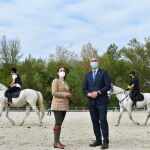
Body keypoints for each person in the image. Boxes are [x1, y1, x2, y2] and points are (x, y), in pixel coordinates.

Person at [83, 57, 111, 149]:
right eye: (92, 61)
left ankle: (105, 142)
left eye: (95, 61)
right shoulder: (87, 75)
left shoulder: (104, 72)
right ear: (89, 63)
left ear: (98, 62)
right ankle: (98, 140)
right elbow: (84, 89)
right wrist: (88, 94)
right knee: (95, 122)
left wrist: (98, 92)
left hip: (102, 101)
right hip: (91, 102)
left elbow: (108, 86)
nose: (94, 62)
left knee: (103, 120)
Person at [51, 67, 72, 149]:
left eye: (64, 71)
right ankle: (56, 142)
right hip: (57, 105)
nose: (63, 72)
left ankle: (57, 141)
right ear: (57, 72)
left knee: (60, 123)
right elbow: (54, 92)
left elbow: (65, 92)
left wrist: (69, 95)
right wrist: (65, 94)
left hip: (64, 105)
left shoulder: (65, 82)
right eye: (61, 70)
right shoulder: (55, 81)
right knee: (58, 123)